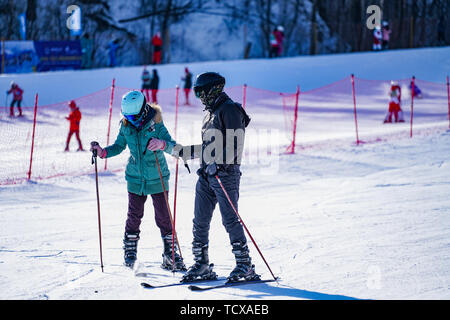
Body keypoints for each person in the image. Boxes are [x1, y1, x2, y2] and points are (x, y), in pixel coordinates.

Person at [172, 72, 258, 283]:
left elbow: (235, 145)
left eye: (202, 92)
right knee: (199, 221)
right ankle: (202, 265)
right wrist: (188, 151)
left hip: (225, 175)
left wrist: (218, 164)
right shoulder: (210, 113)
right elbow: (210, 147)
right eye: (197, 93)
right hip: (206, 175)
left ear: (214, 89)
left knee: (229, 219)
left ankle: (245, 265)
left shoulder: (229, 110)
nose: (200, 97)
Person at [89, 90, 185, 271]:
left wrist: (161, 144)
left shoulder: (156, 123)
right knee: (134, 216)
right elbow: (118, 146)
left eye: (133, 116)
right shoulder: (125, 125)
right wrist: (102, 152)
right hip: (135, 178)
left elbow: (174, 147)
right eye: (127, 116)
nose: (130, 119)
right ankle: (130, 252)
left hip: (157, 175)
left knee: (164, 217)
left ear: (142, 110)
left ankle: (170, 255)